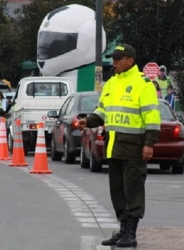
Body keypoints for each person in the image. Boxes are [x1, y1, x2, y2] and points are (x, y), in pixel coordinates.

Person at [77, 44, 161, 248]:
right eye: (113, 58)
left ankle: (130, 233)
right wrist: (88, 121)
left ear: (130, 60)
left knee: (133, 191)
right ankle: (123, 230)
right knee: (117, 191)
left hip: (134, 147)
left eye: (118, 58)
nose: (114, 62)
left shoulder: (143, 84)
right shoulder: (111, 83)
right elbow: (102, 112)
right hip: (113, 147)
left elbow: (152, 117)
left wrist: (149, 144)